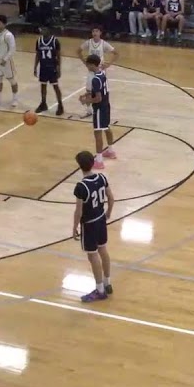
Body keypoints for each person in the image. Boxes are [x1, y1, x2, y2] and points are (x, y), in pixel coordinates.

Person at [72, 150, 114, 303]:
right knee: (103, 248)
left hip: (89, 224)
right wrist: (108, 212)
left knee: (92, 255)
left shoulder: (81, 186)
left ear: (79, 167)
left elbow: (79, 211)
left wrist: (74, 227)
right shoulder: (102, 177)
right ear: (92, 163)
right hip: (101, 219)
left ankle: (100, 290)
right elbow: (111, 197)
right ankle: (107, 282)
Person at [81, 55, 117, 169]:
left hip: (99, 108)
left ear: (92, 64)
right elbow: (100, 91)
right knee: (107, 127)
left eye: (87, 64)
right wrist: (86, 94)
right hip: (106, 105)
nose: (87, 66)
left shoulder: (95, 79)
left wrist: (87, 100)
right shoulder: (102, 74)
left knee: (97, 133)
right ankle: (111, 151)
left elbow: (98, 98)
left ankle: (99, 160)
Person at [80, 27, 115, 116]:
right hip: (91, 71)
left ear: (100, 33)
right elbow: (78, 51)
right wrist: (85, 62)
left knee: (101, 92)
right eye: (93, 31)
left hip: (100, 71)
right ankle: (89, 111)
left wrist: (108, 64)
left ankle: (101, 109)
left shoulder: (104, 44)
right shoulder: (88, 43)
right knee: (88, 90)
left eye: (97, 31)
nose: (95, 33)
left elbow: (116, 53)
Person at [0, 14, 20, 108]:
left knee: (12, 80)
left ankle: (15, 99)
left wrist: (5, 59)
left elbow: (12, 49)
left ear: (4, 24)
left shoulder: (8, 35)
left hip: (6, 61)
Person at [34, 26, 65, 116]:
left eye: (44, 29)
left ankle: (60, 105)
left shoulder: (55, 41)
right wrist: (35, 67)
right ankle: (43, 103)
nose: (41, 30)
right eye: (41, 29)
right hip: (43, 67)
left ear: (48, 30)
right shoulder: (39, 41)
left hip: (52, 67)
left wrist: (59, 68)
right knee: (43, 85)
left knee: (55, 86)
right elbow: (38, 55)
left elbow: (59, 55)